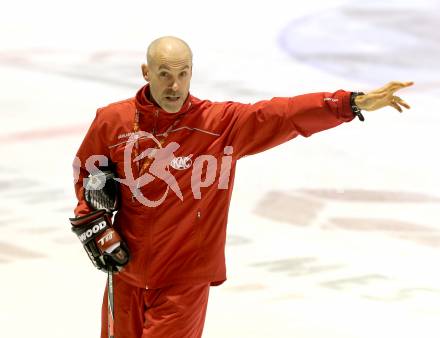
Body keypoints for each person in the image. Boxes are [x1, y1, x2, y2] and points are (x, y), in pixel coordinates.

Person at [71, 36, 413, 338]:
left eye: (182, 74)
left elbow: (283, 114)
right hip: (126, 275)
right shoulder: (113, 121)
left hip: (183, 282)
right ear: (146, 72)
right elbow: (87, 177)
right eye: (164, 75)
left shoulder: (218, 126)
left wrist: (346, 104)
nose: (174, 86)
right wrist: (94, 225)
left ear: (192, 71)